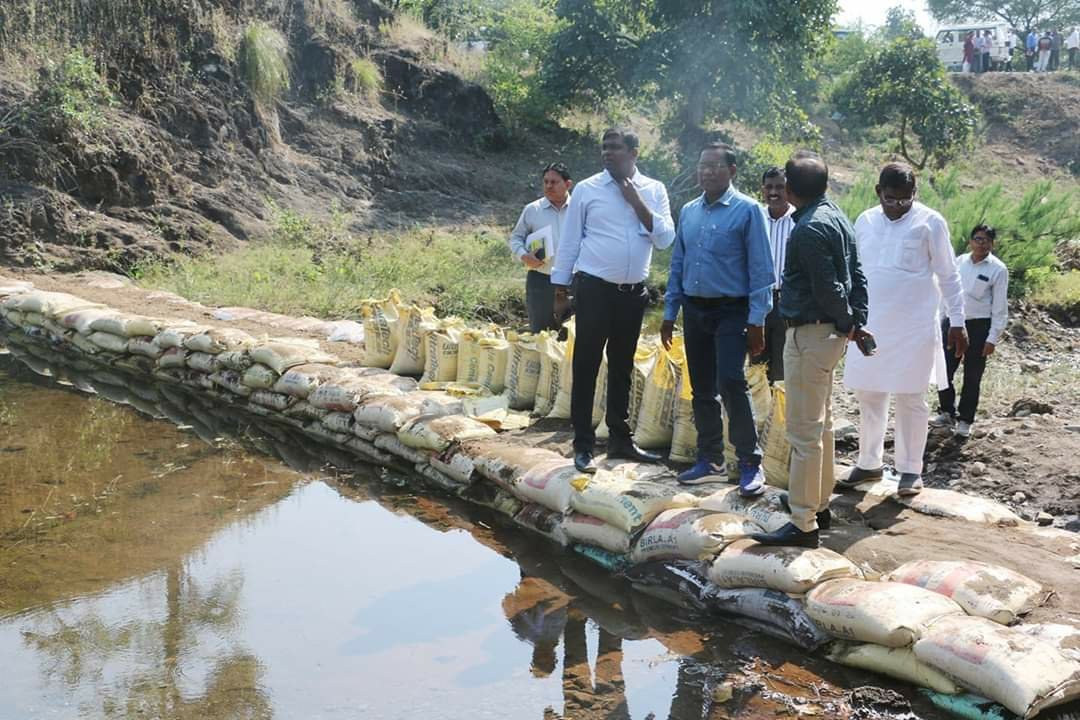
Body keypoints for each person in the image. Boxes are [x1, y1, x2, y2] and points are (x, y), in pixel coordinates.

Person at [750, 153, 870, 549]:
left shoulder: (807, 229)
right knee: (824, 424)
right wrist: (855, 320)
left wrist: (846, 320)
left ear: (791, 190)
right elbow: (857, 274)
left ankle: (802, 523)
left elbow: (828, 287)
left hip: (810, 334)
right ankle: (818, 504)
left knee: (803, 432)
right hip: (830, 336)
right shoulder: (837, 215)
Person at [839, 163, 967, 497]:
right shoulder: (865, 221)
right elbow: (854, 272)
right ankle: (869, 463)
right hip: (871, 326)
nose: (898, 206)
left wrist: (958, 322)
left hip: (914, 327)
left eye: (905, 200)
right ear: (878, 192)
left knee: (911, 398)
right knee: (869, 394)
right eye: (891, 199)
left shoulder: (930, 222)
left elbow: (949, 276)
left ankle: (911, 470)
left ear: (915, 195)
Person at [552, 128, 676, 473]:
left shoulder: (654, 190)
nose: (608, 154)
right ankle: (583, 445)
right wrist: (560, 292)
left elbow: (665, 239)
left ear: (634, 152)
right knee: (587, 365)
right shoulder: (588, 190)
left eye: (616, 148)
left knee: (622, 367)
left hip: (632, 294)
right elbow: (569, 242)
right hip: (593, 290)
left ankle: (621, 440)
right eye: (604, 148)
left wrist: (637, 202)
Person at [661, 143, 774, 495]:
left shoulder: (748, 211)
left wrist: (757, 322)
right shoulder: (690, 211)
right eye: (702, 166)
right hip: (695, 311)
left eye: (715, 166)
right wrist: (669, 312)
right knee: (702, 388)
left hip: (732, 310)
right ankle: (710, 460)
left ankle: (750, 463)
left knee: (730, 382)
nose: (707, 172)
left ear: (732, 171)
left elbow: (761, 271)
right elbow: (678, 263)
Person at [931, 225, 1009, 437]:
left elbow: (1000, 308)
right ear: (970, 241)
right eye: (977, 239)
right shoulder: (958, 262)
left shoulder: (998, 269)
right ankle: (946, 411)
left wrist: (992, 337)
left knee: (972, 376)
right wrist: (940, 322)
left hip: (978, 327)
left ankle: (965, 420)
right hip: (953, 323)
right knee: (943, 370)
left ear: (992, 244)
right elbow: (945, 292)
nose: (980, 243)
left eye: (985, 240)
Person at [508, 162, 573, 332]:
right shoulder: (533, 210)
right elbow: (516, 237)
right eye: (546, 182)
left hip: (574, 280)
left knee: (572, 335)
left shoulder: (579, 210)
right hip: (541, 280)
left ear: (568, 184)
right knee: (541, 333)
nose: (549, 186)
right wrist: (524, 255)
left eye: (554, 182)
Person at [753, 166, 795, 382]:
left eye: (780, 187)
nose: (774, 192)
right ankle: (758, 414)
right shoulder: (755, 218)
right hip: (758, 300)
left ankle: (780, 414)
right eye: (769, 187)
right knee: (756, 365)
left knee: (783, 366)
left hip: (787, 302)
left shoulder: (798, 220)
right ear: (762, 190)